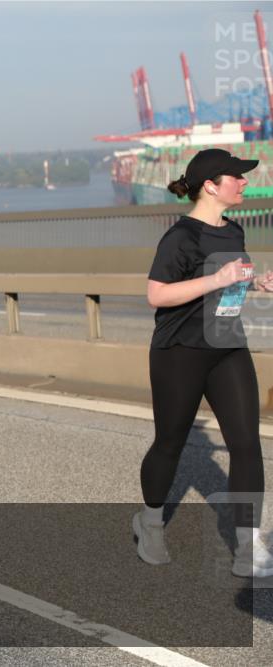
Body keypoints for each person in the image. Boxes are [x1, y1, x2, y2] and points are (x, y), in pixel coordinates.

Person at [136, 148, 273, 578]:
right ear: (211, 186)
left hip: (227, 346)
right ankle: (150, 520)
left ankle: (248, 547)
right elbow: (157, 295)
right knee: (170, 444)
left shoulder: (233, 232)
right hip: (180, 352)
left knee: (247, 444)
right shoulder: (180, 237)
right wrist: (217, 278)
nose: (245, 183)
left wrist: (256, 285)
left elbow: (226, 289)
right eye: (237, 177)